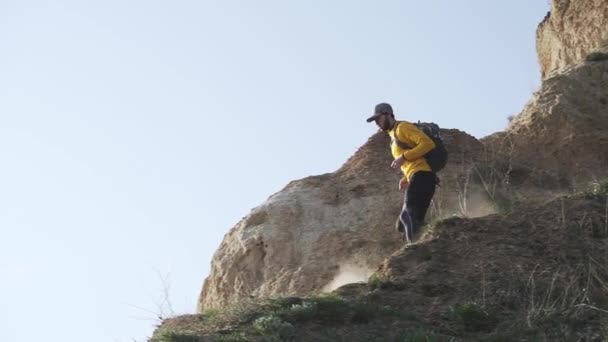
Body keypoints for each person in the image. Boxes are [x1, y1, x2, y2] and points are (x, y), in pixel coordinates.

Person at [366, 103, 438, 243]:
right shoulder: (393, 138)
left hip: (422, 176)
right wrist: (405, 177)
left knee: (407, 216)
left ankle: (412, 252)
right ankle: (421, 251)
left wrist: (403, 157)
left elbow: (428, 144)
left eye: (378, 119)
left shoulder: (403, 128)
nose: (377, 123)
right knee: (407, 224)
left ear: (387, 114)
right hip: (421, 178)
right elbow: (412, 159)